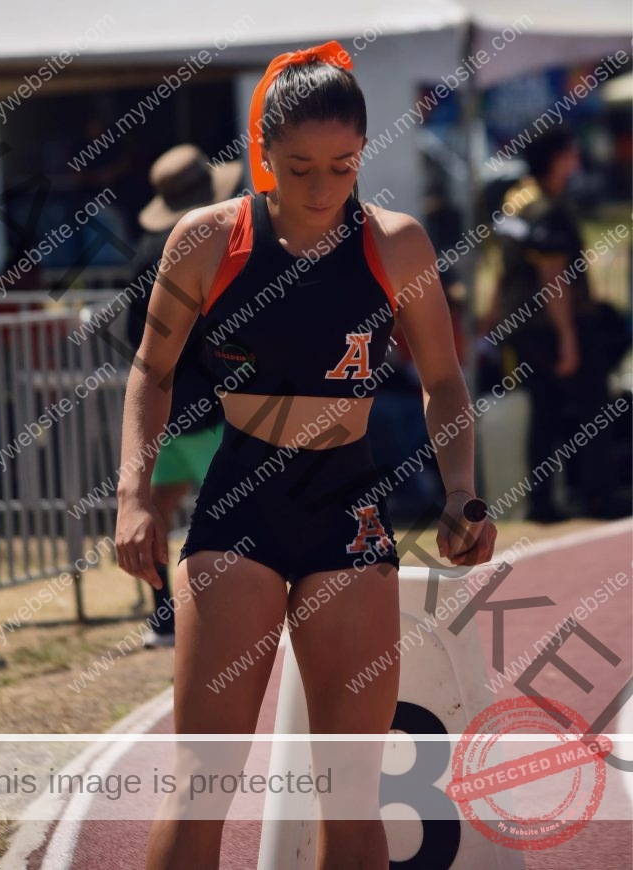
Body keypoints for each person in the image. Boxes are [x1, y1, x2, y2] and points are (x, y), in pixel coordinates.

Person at [115, 39, 496, 870]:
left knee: (351, 794)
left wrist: (462, 491)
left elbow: (443, 382)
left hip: (347, 508)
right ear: (261, 156)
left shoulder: (396, 245)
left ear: (364, 154)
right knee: (205, 782)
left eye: (342, 166)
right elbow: (151, 367)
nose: (321, 189)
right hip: (239, 506)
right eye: (299, 168)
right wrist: (134, 496)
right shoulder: (208, 239)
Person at [124, 144, 243, 647]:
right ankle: (223, 616)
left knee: (156, 506)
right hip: (209, 408)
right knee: (229, 515)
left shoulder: (146, 254)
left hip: (161, 410)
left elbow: (136, 338)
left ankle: (165, 619)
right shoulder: (214, 249)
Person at [490, 126, 628, 522]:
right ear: (556, 158)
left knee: (544, 411)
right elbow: (554, 277)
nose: (576, 160)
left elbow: (505, 268)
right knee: (593, 408)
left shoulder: (518, 200)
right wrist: (569, 338)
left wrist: (492, 315)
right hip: (552, 324)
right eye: (570, 153)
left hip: (524, 325)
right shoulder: (547, 208)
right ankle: (599, 497)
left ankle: (543, 503)